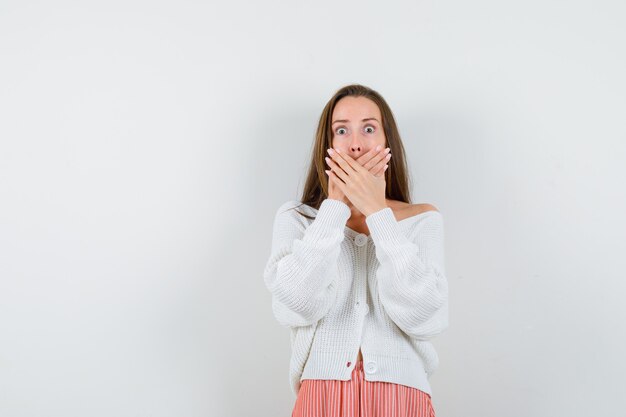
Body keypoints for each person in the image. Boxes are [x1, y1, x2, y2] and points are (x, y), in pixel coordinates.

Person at [263, 84, 448, 417]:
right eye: (342, 130)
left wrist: (379, 214)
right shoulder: (299, 219)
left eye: (368, 128)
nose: (356, 144)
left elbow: (425, 316)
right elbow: (295, 305)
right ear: (328, 145)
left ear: (386, 141)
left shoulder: (422, 219)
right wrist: (334, 210)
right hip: (322, 395)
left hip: (403, 397)